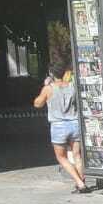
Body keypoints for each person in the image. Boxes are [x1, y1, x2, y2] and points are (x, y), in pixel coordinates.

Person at [34, 62, 88, 193]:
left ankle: (79, 183)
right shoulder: (72, 86)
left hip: (59, 126)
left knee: (61, 157)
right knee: (77, 156)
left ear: (51, 74)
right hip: (75, 123)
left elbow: (37, 104)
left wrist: (45, 85)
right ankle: (82, 182)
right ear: (64, 73)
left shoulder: (49, 88)